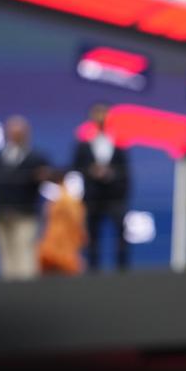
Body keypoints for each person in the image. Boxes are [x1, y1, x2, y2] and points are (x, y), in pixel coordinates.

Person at [0, 115, 51, 280]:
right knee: (5, 253)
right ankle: (9, 291)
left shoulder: (36, 158)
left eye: (20, 133)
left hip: (26, 214)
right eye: (13, 132)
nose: (16, 136)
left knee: (25, 250)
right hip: (1, 214)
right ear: (6, 134)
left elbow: (50, 176)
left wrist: (44, 175)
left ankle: (27, 290)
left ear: (27, 134)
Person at [73, 103, 131, 271]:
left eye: (103, 114)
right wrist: (91, 171)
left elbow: (125, 171)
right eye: (97, 114)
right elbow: (75, 168)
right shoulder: (83, 145)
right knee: (92, 235)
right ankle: (93, 271)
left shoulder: (119, 143)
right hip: (92, 197)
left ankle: (123, 272)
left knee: (120, 234)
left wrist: (111, 174)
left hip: (115, 197)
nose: (100, 118)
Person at [38, 171, 87, 275]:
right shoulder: (63, 200)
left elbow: (76, 220)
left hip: (62, 247)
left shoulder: (67, 200)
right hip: (54, 247)